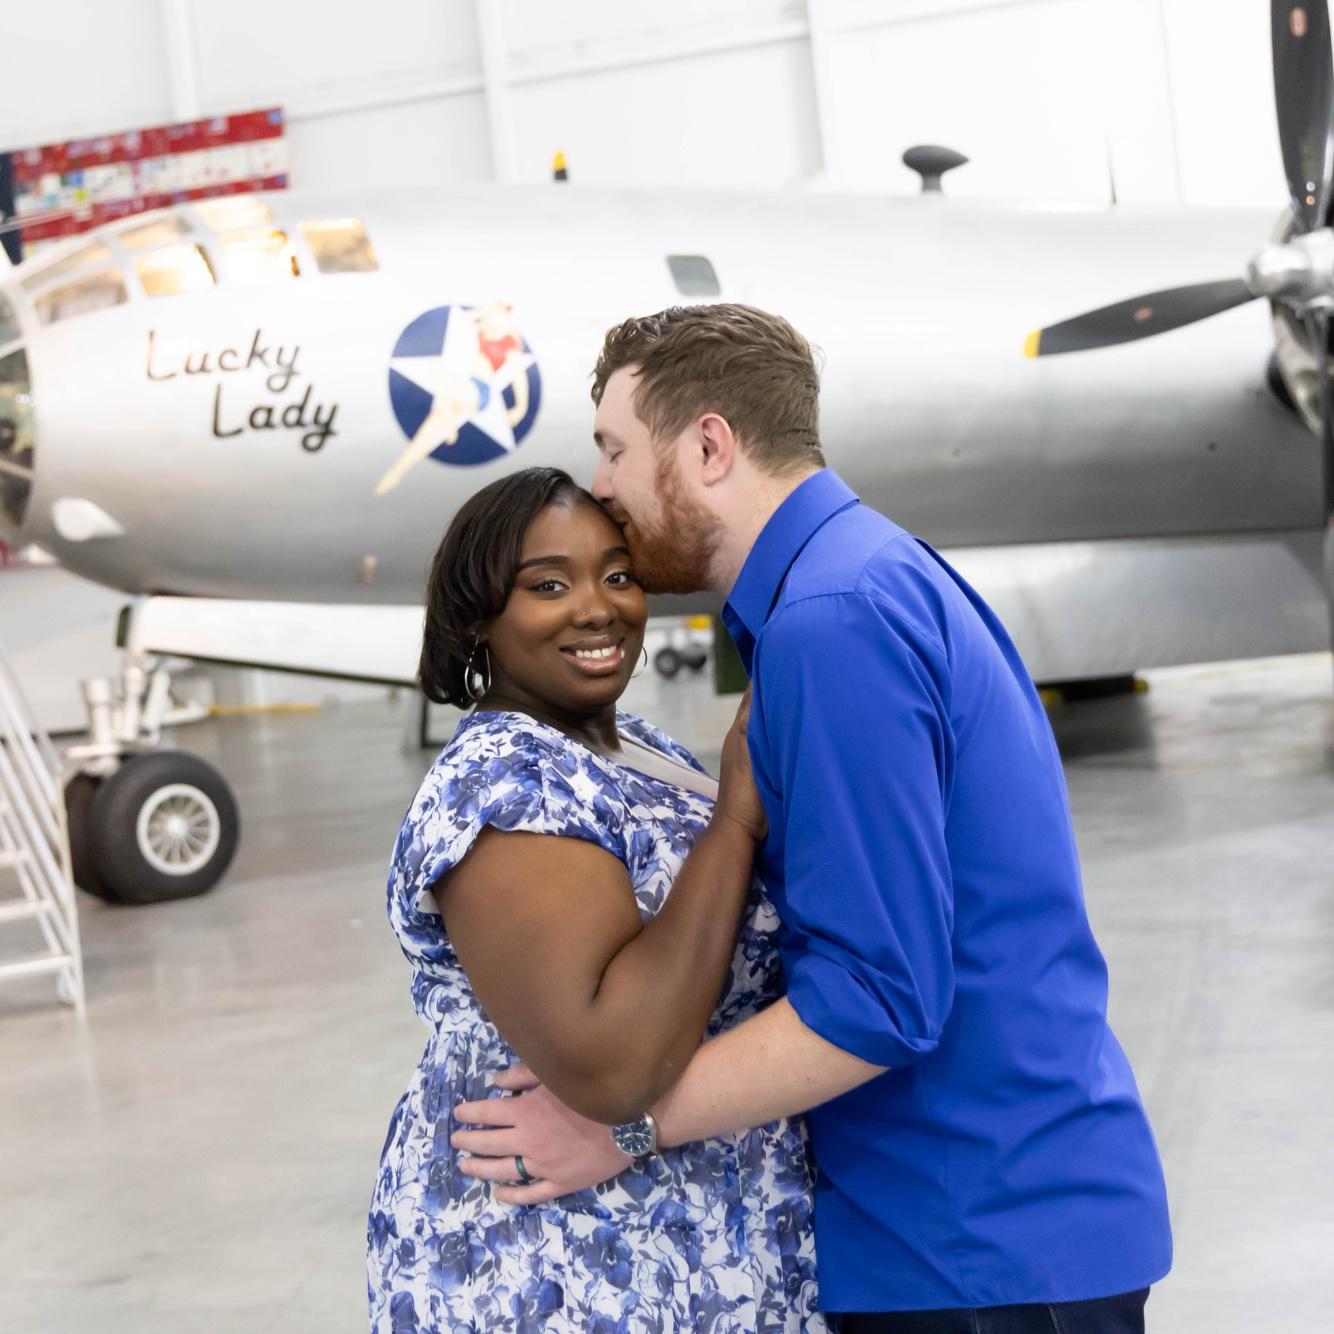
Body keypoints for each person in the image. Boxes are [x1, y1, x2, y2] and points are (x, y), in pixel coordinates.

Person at [454, 305, 1173, 1333]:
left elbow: (879, 997)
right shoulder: (864, 574)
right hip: (989, 1217)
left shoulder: (830, 622)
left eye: (614, 449)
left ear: (709, 445)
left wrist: (625, 1126)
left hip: (970, 1240)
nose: (600, 486)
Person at [367, 466, 829, 1333]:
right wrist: (734, 821)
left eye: (618, 575)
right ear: (477, 618)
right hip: (567, 1268)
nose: (597, 607)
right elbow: (613, 1064)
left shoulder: (629, 744)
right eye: (548, 585)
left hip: (700, 1247)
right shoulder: (505, 784)